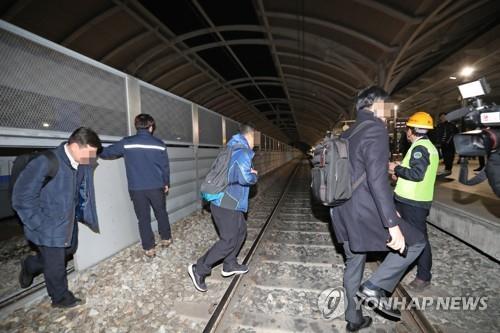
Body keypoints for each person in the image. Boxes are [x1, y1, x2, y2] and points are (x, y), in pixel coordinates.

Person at [330, 86, 425, 331]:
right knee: (415, 242)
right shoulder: (374, 129)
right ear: (376, 105)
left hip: (340, 210)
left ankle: (354, 319)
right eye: (386, 106)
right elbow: (377, 180)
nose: (388, 112)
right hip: (363, 210)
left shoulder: (347, 133)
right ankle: (374, 286)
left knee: (354, 262)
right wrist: (392, 224)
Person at [12, 127, 102, 308]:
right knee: (56, 265)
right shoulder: (46, 162)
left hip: (67, 221)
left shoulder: (80, 163)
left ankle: (31, 264)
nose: (92, 158)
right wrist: (39, 224)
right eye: (90, 153)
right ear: (76, 146)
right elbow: (21, 197)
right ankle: (60, 298)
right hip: (48, 223)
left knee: (68, 250)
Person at [188, 124, 258, 292]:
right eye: (255, 138)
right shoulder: (243, 151)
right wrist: (254, 175)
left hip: (228, 200)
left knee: (241, 232)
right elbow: (244, 178)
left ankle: (229, 264)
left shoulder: (232, 147)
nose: (255, 142)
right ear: (250, 136)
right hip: (227, 202)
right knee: (228, 240)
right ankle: (199, 269)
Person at [100, 114, 171, 258]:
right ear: (151, 127)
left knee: (143, 218)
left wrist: (91, 149)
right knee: (161, 212)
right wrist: (166, 182)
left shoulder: (127, 143)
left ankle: (149, 248)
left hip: (137, 188)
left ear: (136, 126)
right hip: (156, 186)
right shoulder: (159, 144)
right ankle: (166, 238)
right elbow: (165, 167)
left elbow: (107, 153)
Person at [389, 112, 439, 292]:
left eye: (407, 130)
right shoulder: (427, 147)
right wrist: (400, 171)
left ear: (411, 131)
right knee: (404, 234)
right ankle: (399, 263)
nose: (407, 133)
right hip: (411, 199)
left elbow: (417, 174)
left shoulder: (420, 148)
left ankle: (424, 277)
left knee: (419, 239)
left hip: (414, 202)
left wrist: (397, 168)